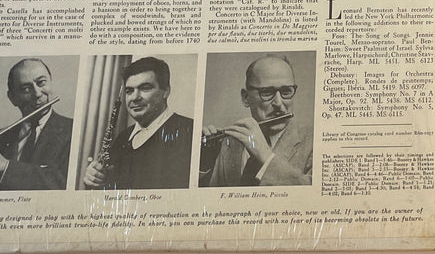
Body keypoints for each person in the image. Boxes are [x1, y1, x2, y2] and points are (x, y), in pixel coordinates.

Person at [0, 58, 73, 191]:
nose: (37, 93)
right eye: (26, 89)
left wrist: (4, 166)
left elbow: (65, 184)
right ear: (13, 98)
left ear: (51, 83)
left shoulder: (75, 131)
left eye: (41, 82)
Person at [200, 55, 312, 187]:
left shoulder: (314, 143)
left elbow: (314, 194)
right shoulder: (227, 144)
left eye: (286, 91)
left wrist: (266, 157)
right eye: (267, 92)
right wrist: (204, 163)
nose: (278, 103)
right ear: (246, 98)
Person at [82, 57, 193, 190]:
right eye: (129, 91)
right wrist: (94, 180)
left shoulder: (189, 131)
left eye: (145, 88)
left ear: (166, 91)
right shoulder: (123, 138)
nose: (134, 98)